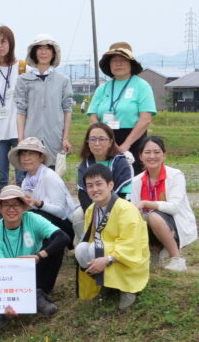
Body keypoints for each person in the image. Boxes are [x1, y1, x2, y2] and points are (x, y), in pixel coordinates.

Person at [0, 185, 72, 329]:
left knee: (54, 247)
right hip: (8, 277)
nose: (11, 209)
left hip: (35, 271)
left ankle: (39, 292)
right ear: (0, 208)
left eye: (16, 205)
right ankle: (5, 308)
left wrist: (38, 256)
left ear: (23, 207)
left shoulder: (32, 219)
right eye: (7, 205)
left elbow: (63, 237)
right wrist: (6, 299)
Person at [75, 164, 150, 311]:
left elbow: (131, 244)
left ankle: (128, 289)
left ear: (110, 185)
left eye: (99, 184)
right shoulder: (91, 209)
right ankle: (105, 284)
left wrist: (108, 258)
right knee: (82, 249)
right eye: (90, 186)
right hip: (105, 250)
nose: (94, 189)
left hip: (129, 256)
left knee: (95, 249)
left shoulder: (126, 209)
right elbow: (90, 239)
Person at [87, 42, 156, 173]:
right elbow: (93, 115)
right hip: (105, 140)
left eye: (123, 60)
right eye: (114, 60)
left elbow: (145, 119)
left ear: (131, 63)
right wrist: (104, 139)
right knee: (105, 178)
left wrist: (125, 145)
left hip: (134, 140)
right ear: (109, 65)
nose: (118, 63)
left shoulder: (142, 86)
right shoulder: (103, 88)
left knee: (132, 179)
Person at [131, 136, 198, 272]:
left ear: (164, 155)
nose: (152, 156)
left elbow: (174, 207)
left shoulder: (175, 175)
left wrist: (145, 203)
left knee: (153, 216)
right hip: (151, 224)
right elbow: (134, 210)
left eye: (157, 152)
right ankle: (153, 253)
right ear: (140, 156)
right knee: (136, 219)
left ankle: (176, 259)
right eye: (147, 152)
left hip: (174, 224)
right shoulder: (136, 181)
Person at [15, 34, 73, 173]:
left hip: (54, 136)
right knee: (30, 175)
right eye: (39, 48)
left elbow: (67, 110)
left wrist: (65, 138)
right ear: (34, 52)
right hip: (31, 136)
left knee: (52, 175)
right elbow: (21, 111)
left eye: (47, 48)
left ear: (53, 53)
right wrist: (21, 139)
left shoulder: (62, 80)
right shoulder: (24, 79)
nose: (43, 52)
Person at [10, 136, 79, 245]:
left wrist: (38, 203)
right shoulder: (26, 180)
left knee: (35, 218)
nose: (26, 158)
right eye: (23, 154)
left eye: (31, 154)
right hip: (43, 220)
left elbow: (60, 212)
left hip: (64, 227)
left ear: (41, 158)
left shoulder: (49, 176)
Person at [0, 26, 27, 195]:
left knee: (23, 176)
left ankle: (25, 218)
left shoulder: (23, 68)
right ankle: (2, 219)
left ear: (11, 43)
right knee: (0, 178)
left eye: (3, 41)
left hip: (19, 131)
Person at [77, 122, 134, 211]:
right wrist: (93, 214)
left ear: (110, 142)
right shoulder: (85, 164)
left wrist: (108, 215)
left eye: (102, 139)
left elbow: (125, 195)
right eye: (92, 139)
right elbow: (83, 194)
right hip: (93, 208)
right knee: (77, 216)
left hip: (119, 208)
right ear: (87, 142)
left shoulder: (120, 163)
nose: (97, 143)